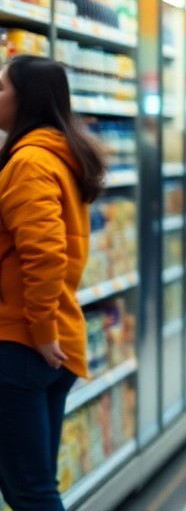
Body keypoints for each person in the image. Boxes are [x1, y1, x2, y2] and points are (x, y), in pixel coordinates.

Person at [0, 56, 106, 511]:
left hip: (24, 340)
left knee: (30, 492)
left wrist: (41, 331)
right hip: (51, 337)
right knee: (35, 485)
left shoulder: (30, 162)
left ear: (26, 99)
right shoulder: (60, 154)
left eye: (1, 89)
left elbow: (44, 255)